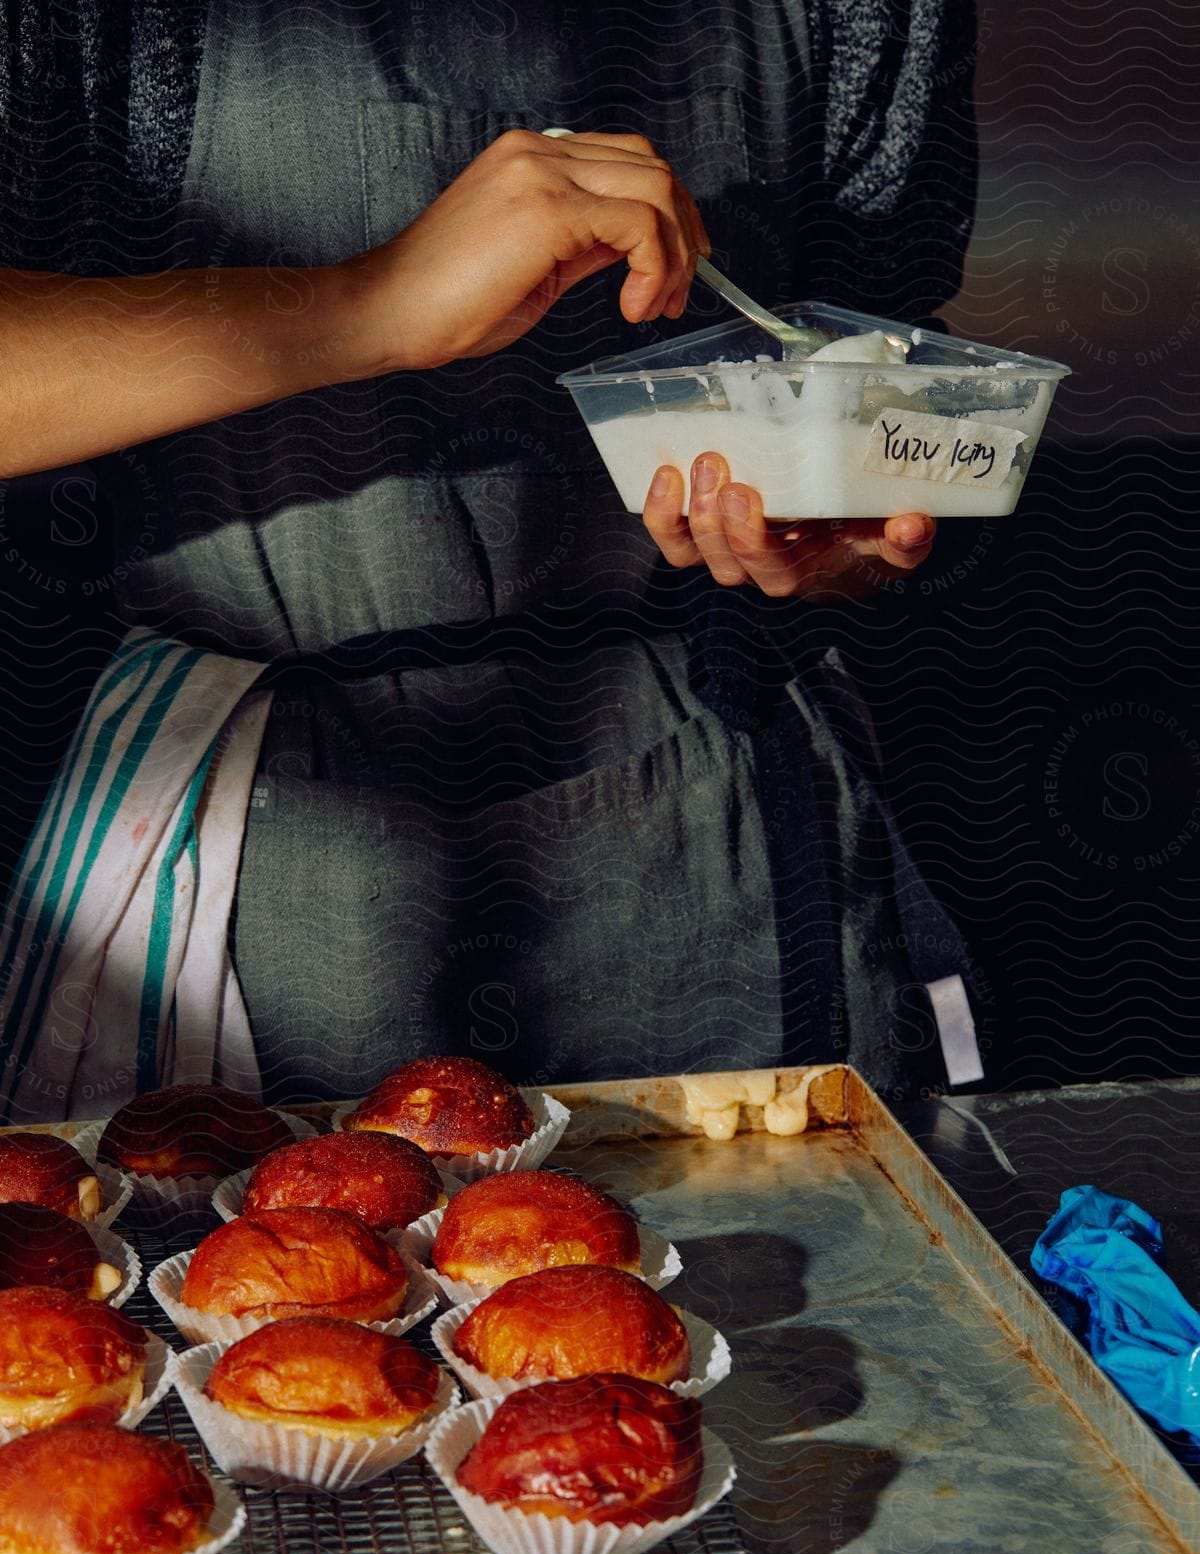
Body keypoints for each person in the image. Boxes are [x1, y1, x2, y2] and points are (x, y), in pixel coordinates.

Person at [0, 1, 981, 1119]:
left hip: (728, 850)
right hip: (268, 871)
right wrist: (363, 304)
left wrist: (839, 543)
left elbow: (884, 364)